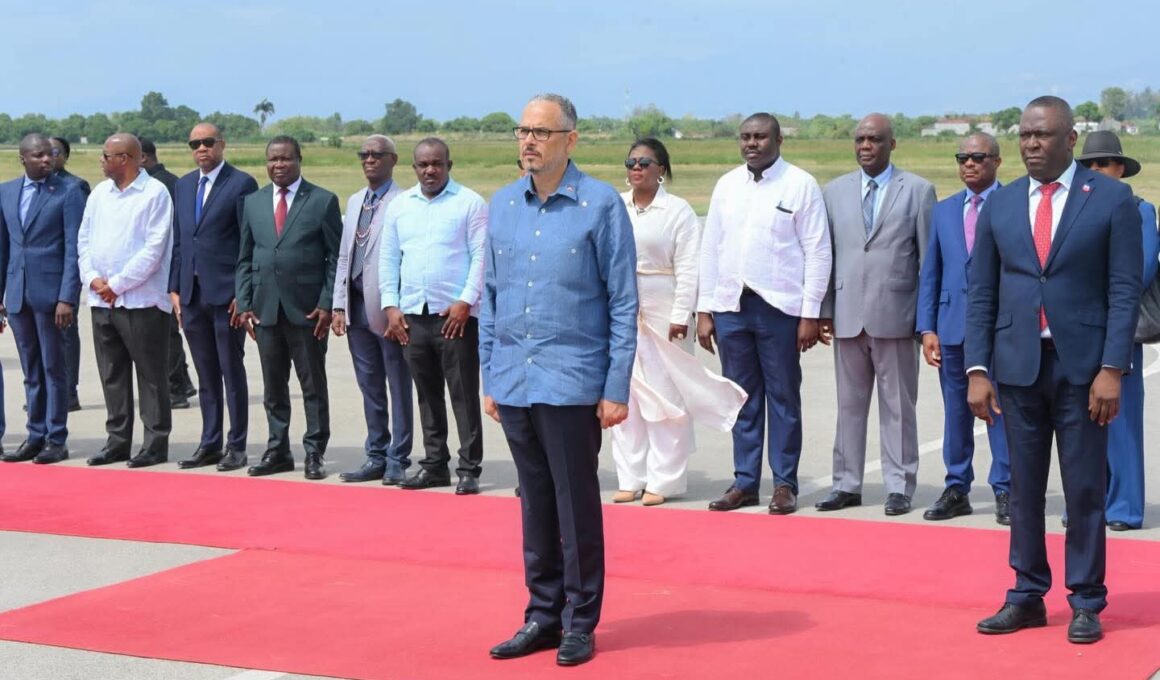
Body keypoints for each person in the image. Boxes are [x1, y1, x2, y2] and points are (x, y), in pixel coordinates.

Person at [969, 96, 1141, 644]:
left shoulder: (1111, 199)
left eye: (1042, 135)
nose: (1031, 144)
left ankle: (1086, 599)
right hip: (1017, 367)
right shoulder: (1002, 203)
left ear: (1070, 139)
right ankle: (1026, 594)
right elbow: (982, 291)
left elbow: (1124, 290)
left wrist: (1112, 368)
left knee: (1085, 488)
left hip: (1083, 370)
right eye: (1024, 134)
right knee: (1023, 489)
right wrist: (977, 369)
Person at [483, 94, 637, 667]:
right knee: (535, 504)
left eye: (541, 132)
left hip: (572, 380)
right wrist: (490, 375)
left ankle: (580, 621)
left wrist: (616, 386)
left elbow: (623, 302)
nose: (529, 141)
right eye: (523, 130)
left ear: (570, 140)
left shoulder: (600, 205)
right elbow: (490, 296)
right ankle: (542, 615)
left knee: (575, 508)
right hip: (515, 380)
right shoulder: (503, 205)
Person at [697, 114, 831, 514]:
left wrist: (810, 314)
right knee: (742, 399)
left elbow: (818, 251)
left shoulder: (800, 184)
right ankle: (745, 482)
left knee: (783, 397)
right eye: (745, 137)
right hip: (731, 308)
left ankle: (785, 483)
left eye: (759, 136)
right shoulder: (727, 185)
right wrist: (705, 309)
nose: (751, 143)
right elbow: (711, 248)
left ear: (778, 140)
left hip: (780, 308)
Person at [610, 137, 744, 507]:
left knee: (665, 396)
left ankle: (663, 479)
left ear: (661, 170)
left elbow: (688, 266)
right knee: (626, 394)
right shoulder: (616, 206)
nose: (637, 168)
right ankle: (630, 477)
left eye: (645, 163)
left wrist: (681, 313)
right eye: (631, 162)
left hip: (664, 309)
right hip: (622, 309)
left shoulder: (677, 210)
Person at [816, 113, 936, 516]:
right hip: (848, 314)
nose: (866, 146)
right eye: (860, 140)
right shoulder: (834, 192)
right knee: (848, 406)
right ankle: (846, 484)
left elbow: (928, 262)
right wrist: (825, 310)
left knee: (898, 407)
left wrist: (925, 322)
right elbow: (827, 256)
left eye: (875, 140)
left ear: (892, 144)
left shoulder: (918, 191)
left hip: (896, 316)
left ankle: (899, 485)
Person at [381, 138, 487, 494]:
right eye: (423, 165)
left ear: (449, 165)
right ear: (413, 168)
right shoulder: (400, 206)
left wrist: (466, 301)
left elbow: (480, 256)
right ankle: (435, 464)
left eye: (437, 164)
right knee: (427, 395)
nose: (430, 170)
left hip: (454, 317)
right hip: (413, 315)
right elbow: (388, 259)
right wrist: (390, 306)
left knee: (463, 395)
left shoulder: (469, 203)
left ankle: (469, 468)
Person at [916, 133, 1011, 524]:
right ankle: (957, 487)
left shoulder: (1013, 204)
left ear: (996, 161)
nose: (969, 163)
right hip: (952, 326)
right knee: (956, 413)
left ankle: (1006, 488)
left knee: (999, 410)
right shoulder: (944, 211)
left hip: (999, 328)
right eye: (962, 157)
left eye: (978, 157)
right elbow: (931, 273)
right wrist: (927, 328)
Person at [236, 136, 342, 480]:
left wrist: (327, 302)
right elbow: (245, 257)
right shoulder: (253, 202)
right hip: (265, 310)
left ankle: (314, 451)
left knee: (312, 386)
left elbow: (335, 258)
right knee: (273, 387)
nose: (278, 165)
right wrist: (245, 302)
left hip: (307, 311)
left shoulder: (322, 200)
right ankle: (278, 449)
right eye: (273, 159)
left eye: (285, 159)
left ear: (299, 160)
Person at [1075, 130, 1157, 532]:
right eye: (1089, 164)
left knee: (1121, 419)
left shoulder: (1139, 209)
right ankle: (1090, 503)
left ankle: (1125, 506)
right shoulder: (1075, 210)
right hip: (1079, 327)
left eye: (1104, 163)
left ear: (1120, 168)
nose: (1096, 170)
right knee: (1082, 422)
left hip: (1118, 327)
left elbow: (1141, 269)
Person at [78, 133, 175, 468]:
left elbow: (154, 249)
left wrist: (117, 285)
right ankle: (117, 441)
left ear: (126, 159)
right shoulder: (99, 194)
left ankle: (154, 444)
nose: (101, 160)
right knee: (112, 374)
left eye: (106, 155)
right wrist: (93, 278)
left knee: (151, 375)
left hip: (141, 302)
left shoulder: (154, 193)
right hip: (102, 301)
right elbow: (84, 240)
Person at [169, 123, 259, 472]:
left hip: (226, 296)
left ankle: (236, 446)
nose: (201, 148)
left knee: (230, 371)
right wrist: (175, 288)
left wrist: (243, 292)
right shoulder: (184, 185)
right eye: (195, 144)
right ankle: (209, 442)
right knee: (206, 374)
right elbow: (180, 240)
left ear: (222, 144)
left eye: (208, 142)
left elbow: (248, 241)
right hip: (191, 296)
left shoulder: (241, 183)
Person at [332, 135, 413, 485]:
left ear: (393, 159)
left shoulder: (405, 202)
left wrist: (398, 306)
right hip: (356, 306)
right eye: (363, 154)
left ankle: (399, 456)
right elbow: (345, 255)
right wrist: (338, 304)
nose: (369, 160)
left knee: (398, 384)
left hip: (388, 309)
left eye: (377, 154)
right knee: (370, 386)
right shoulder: (355, 201)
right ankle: (376, 453)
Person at [0, 134, 84, 464]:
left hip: (52, 297)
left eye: (49, 154)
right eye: (38, 155)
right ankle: (35, 434)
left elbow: (74, 249)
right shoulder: (7, 192)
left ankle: (56, 437)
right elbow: (4, 249)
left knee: (54, 368)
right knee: (31, 370)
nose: (46, 159)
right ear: (23, 158)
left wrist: (67, 297)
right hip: (18, 295)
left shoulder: (68, 191)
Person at [142, 137, 196, 408]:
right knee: (168, 331)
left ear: (142, 157)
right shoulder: (174, 181)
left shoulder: (157, 185)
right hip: (169, 266)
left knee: (165, 332)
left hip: (164, 267)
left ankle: (176, 388)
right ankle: (182, 382)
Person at [50, 136, 86, 412]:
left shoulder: (74, 186)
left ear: (65, 155)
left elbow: (79, 236)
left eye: (54, 151)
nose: (48, 156)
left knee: (66, 332)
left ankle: (69, 391)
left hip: (65, 270)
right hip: (39, 274)